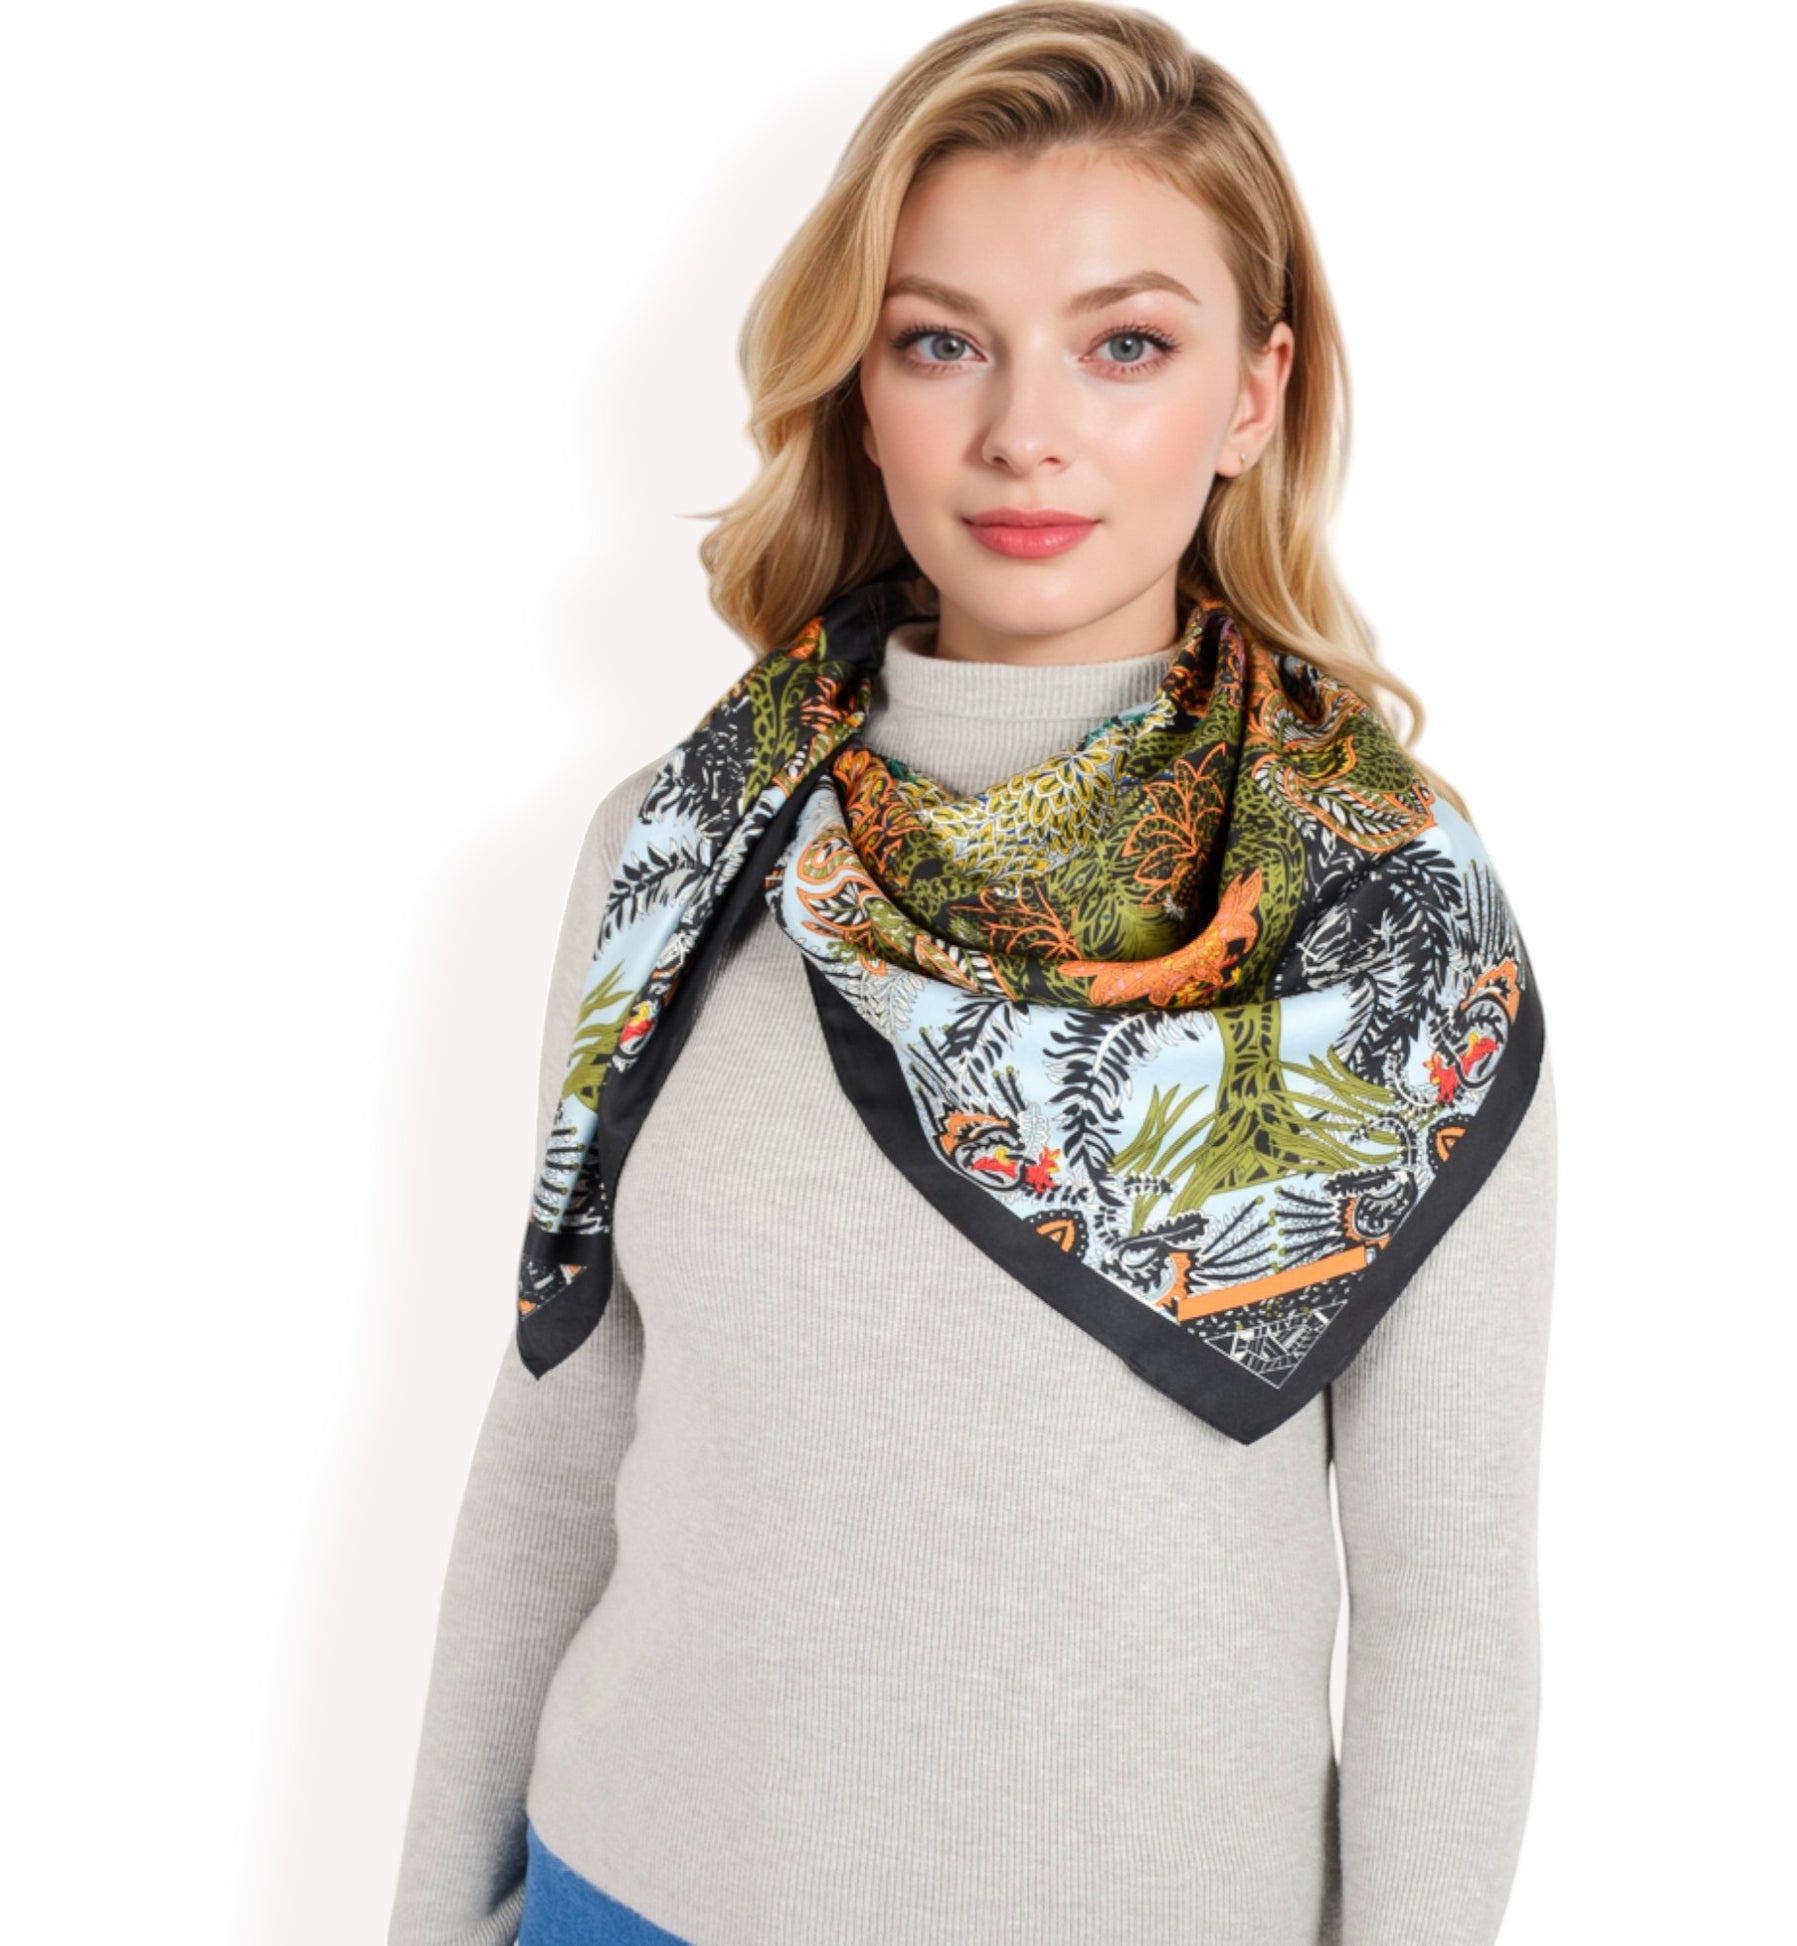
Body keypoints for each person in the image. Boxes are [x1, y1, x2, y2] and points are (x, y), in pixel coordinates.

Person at [386, 4, 1559, 1942]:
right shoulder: (683, 846)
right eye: (942, 341)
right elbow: (556, 1438)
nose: (1025, 430)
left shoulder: (1389, 917)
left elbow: (1448, 1597)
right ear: (861, 386)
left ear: (1253, 394)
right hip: (632, 1895)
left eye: (1126, 345)